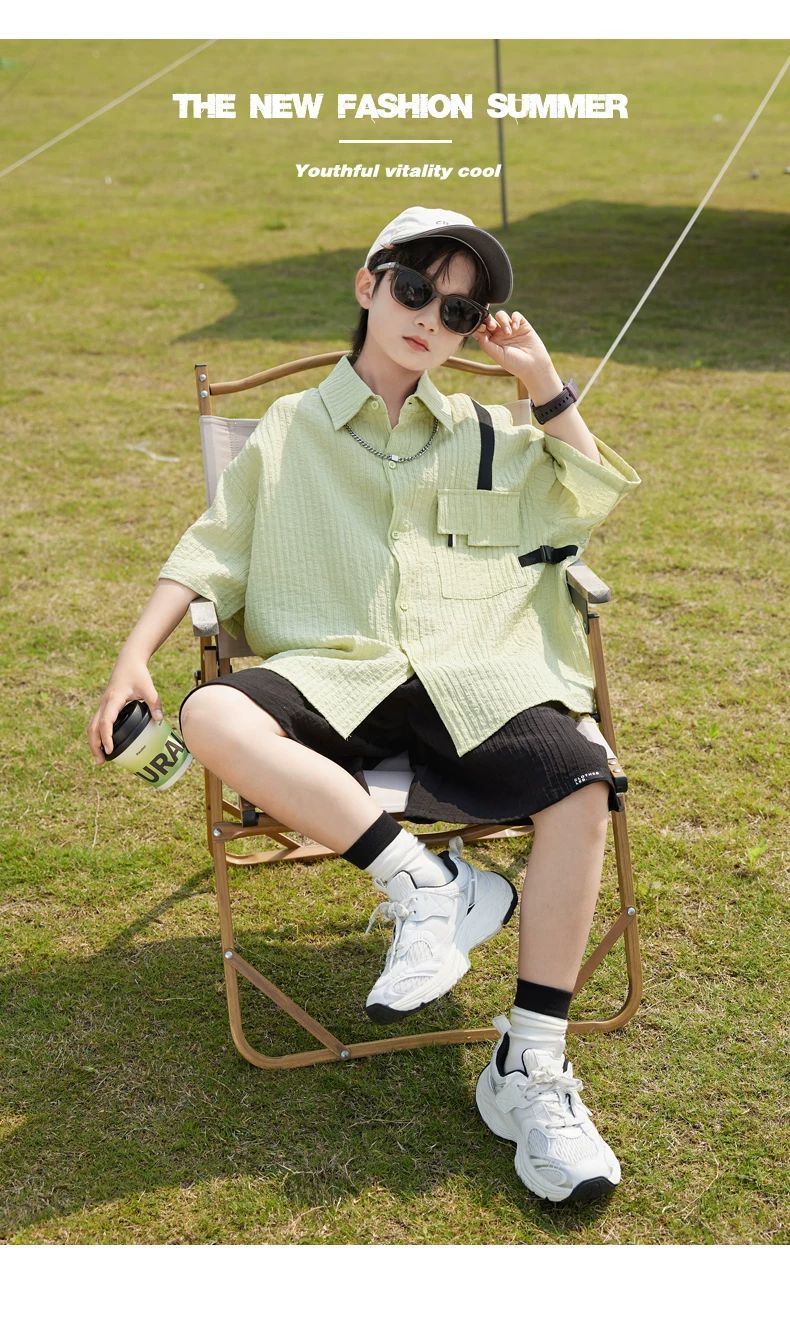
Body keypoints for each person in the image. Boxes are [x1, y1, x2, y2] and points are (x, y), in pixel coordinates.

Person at [87, 205, 640, 1205]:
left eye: (459, 309)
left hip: (470, 677)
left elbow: (585, 495)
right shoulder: (291, 428)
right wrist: (134, 656)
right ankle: (425, 885)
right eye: (416, 289)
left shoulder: (486, 433)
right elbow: (211, 550)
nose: (432, 317)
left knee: (582, 779)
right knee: (211, 715)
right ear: (368, 285)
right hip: (336, 672)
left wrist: (541, 384)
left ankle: (530, 1061)